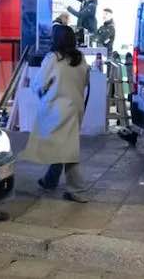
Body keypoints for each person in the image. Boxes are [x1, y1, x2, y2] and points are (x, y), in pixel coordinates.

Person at [22, 24, 91, 202]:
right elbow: (85, 82)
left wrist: (40, 92)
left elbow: (39, 84)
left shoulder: (53, 58)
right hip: (75, 107)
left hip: (57, 109)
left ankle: (77, 189)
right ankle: (50, 180)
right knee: (65, 144)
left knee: (67, 148)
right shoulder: (80, 58)